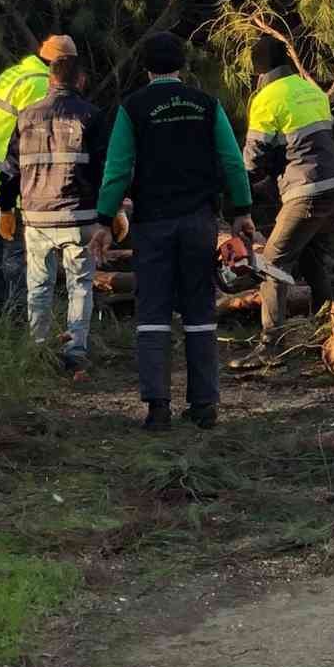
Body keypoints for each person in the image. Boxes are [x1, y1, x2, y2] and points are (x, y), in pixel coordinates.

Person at [90, 31, 254, 432]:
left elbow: (117, 171)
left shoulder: (133, 108)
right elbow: (232, 162)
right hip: (199, 221)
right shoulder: (206, 104)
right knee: (200, 311)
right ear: (181, 64)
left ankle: (157, 408)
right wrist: (241, 212)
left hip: (153, 224)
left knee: (153, 313)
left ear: (146, 66)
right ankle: (204, 406)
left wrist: (103, 221)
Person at [0, 54, 110, 372]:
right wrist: (112, 211)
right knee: (80, 284)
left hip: (36, 217)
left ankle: (38, 350)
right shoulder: (92, 116)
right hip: (79, 216)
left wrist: (6, 207)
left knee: (39, 285)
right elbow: (104, 168)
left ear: (50, 80)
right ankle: (75, 352)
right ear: (81, 80)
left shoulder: (26, 116)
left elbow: (11, 169)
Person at [241, 35, 334, 363]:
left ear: (259, 70)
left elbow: (253, 159)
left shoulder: (266, 98)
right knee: (312, 258)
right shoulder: (309, 89)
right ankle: (328, 334)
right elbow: (312, 141)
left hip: (307, 191)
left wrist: (236, 190)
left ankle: (270, 347)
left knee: (271, 264)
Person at [0, 35, 78, 307]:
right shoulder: (40, 84)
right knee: (16, 253)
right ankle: (16, 317)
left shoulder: (15, 74)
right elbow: (41, 139)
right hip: (13, 181)